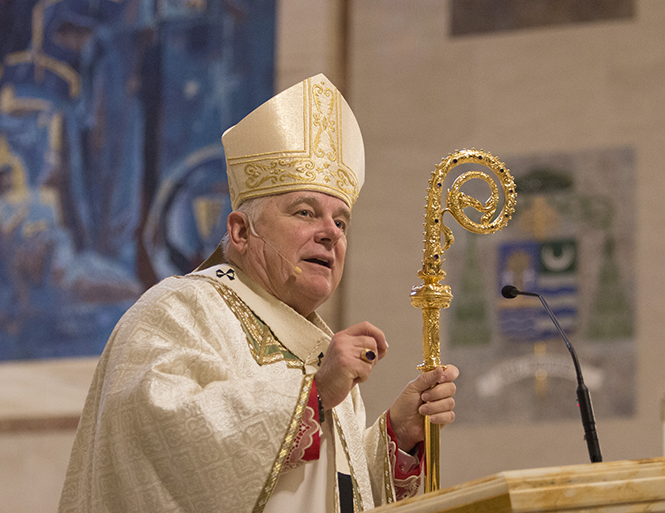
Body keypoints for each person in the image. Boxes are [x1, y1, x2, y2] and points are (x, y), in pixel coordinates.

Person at [58, 73, 459, 513]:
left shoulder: (323, 350)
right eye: (306, 212)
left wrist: (397, 436)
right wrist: (315, 395)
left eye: (341, 222)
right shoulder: (178, 310)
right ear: (241, 231)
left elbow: (326, 489)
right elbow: (161, 446)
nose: (330, 233)